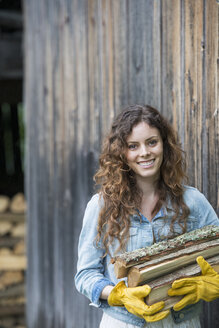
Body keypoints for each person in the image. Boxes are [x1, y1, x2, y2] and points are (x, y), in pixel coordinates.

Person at [74, 104, 219, 328]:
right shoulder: (102, 206)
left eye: (152, 142)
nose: (144, 152)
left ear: (164, 144)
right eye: (133, 146)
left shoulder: (194, 202)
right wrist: (118, 295)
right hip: (124, 323)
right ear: (121, 153)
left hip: (183, 322)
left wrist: (210, 284)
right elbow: (85, 275)